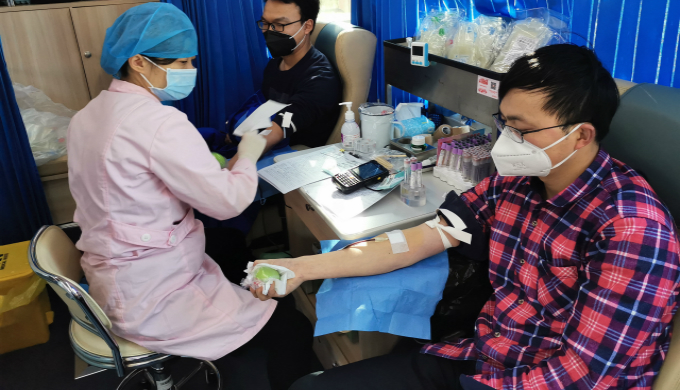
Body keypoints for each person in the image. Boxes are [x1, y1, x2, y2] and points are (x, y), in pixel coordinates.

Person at [252, 44, 680, 390]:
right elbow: (419, 240)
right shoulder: (513, 185)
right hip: (483, 357)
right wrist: (303, 267)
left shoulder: (631, 228)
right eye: (504, 123)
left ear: (581, 134)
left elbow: (586, 375)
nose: (506, 141)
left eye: (521, 130)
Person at [67, 2, 313, 390]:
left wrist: (204, 168)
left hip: (113, 270)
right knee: (291, 326)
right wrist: (248, 154)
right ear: (138, 62)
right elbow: (228, 203)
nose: (190, 69)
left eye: (191, 60)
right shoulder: (159, 123)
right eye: (182, 62)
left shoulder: (87, 115)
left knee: (228, 244)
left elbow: (128, 183)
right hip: (150, 293)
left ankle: (239, 306)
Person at [226, 0, 342, 167]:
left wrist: (231, 170)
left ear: (307, 26)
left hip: (300, 159)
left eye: (279, 25)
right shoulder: (275, 65)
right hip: (269, 146)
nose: (269, 31)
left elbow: (277, 129)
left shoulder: (320, 79)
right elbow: (264, 112)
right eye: (265, 23)